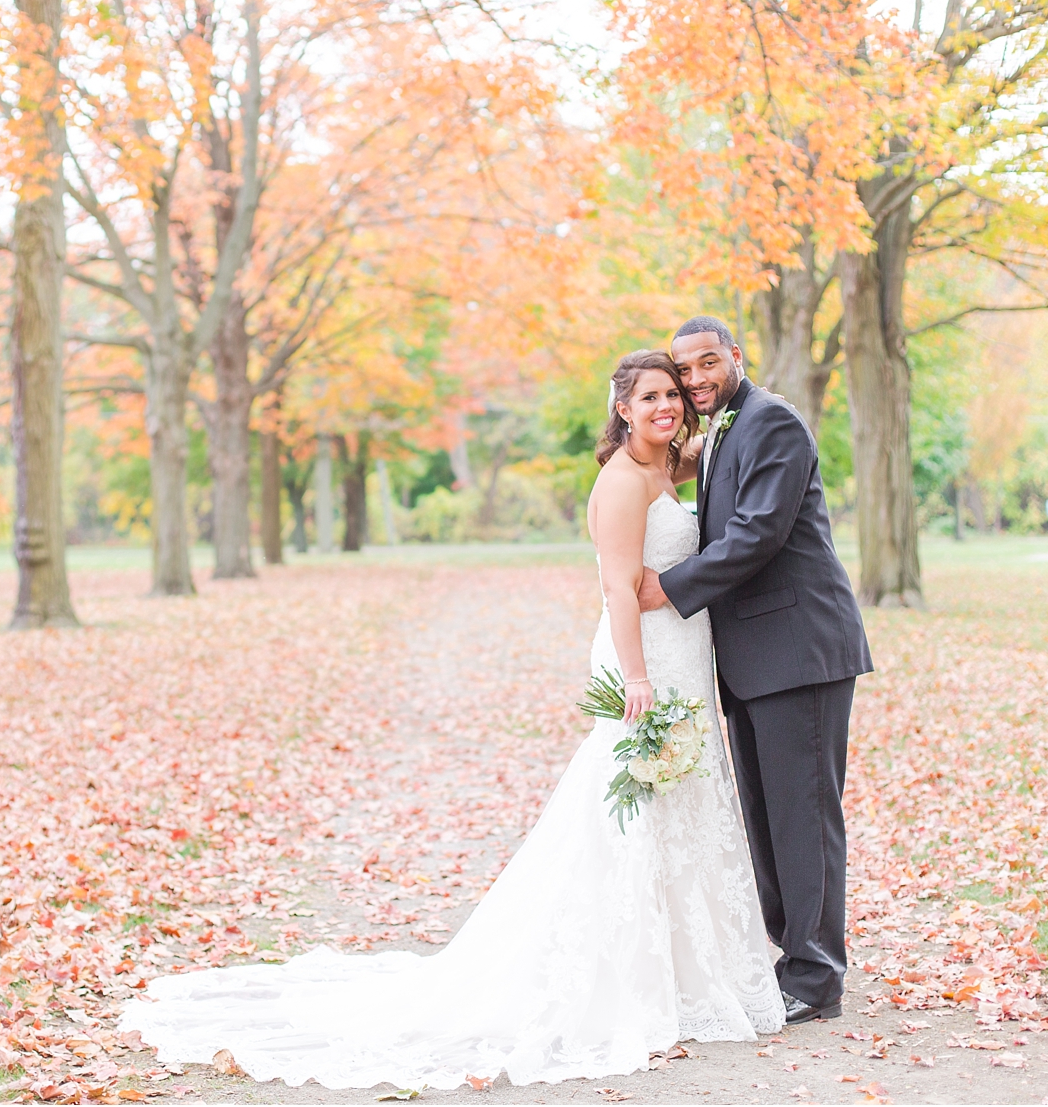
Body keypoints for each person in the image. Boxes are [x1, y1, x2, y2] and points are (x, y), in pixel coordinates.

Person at [119, 350, 784, 1091]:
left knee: (680, 803)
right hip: (649, 659)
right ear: (622, 407)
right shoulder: (624, 482)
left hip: (687, 651)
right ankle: (632, 975)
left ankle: (694, 972)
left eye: (673, 394)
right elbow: (618, 589)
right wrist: (635, 676)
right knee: (631, 805)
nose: (666, 405)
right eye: (650, 395)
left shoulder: (669, 465)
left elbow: (728, 448)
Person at [637, 317, 874, 1024]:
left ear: (737, 357)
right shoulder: (721, 432)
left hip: (800, 650)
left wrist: (668, 588)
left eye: (710, 362)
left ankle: (816, 974)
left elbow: (757, 535)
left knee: (804, 818)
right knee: (768, 821)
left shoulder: (774, 424)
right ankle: (791, 957)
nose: (698, 378)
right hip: (752, 660)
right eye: (687, 370)